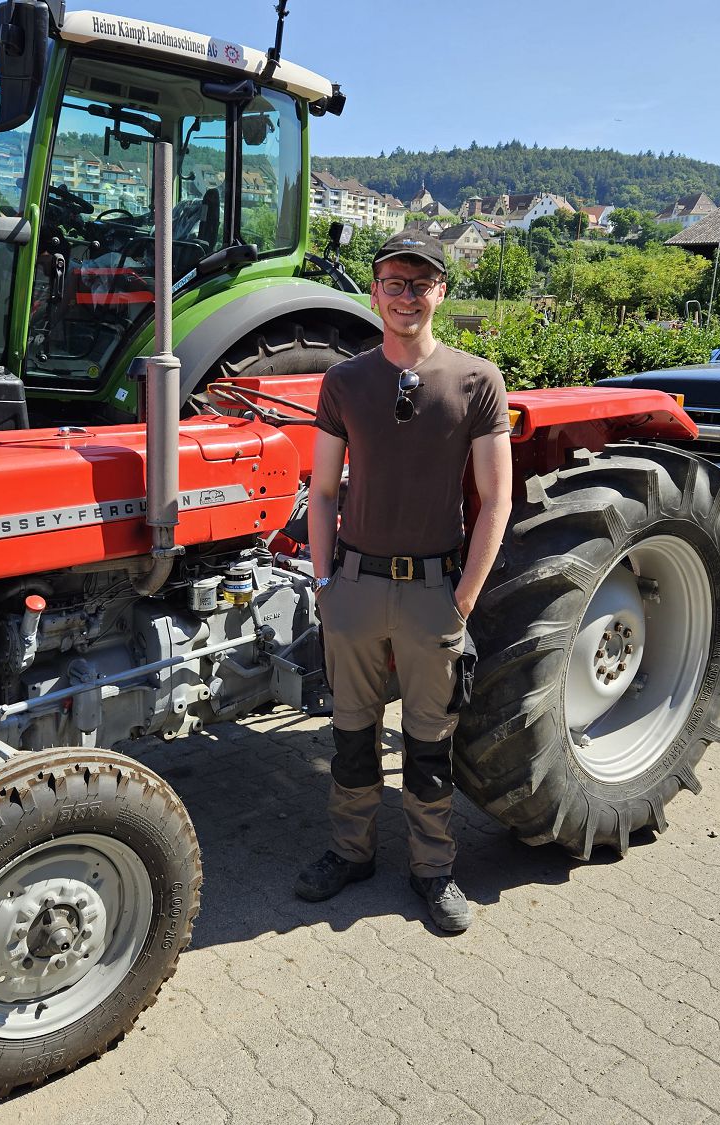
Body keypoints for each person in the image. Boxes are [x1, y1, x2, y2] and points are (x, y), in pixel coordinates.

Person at [296, 231, 513, 934]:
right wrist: (325, 582)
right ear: (375, 291)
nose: (407, 296)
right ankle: (349, 850)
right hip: (355, 585)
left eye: (421, 284)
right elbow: (323, 490)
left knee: (428, 744)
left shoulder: (478, 381)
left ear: (440, 292)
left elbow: (496, 498)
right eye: (394, 282)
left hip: (433, 592)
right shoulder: (345, 381)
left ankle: (433, 867)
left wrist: (466, 596)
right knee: (352, 734)